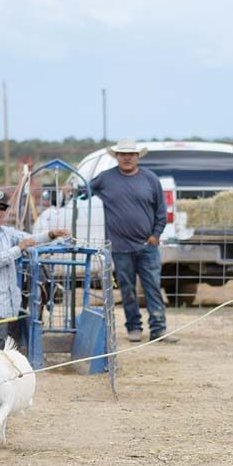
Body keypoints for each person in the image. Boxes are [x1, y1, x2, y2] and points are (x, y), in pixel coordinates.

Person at [89, 137, 175, 343]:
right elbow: (84, 190)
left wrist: (156, 235)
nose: (127, 158)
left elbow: (161, 211)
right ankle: (134, 327)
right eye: (123, 154)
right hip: (120, 247)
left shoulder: (150, 179)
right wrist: (70, 190)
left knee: (152, 287)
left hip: (147, 246)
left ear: (137, 156)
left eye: (130, 154)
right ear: (117, 156)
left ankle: (158, 328)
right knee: (127, 289)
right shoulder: (105, 179)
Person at [0, 189, 68, 350]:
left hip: (0, 304)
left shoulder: (4, 232)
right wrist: (19, 248)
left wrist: (51, 234)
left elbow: (27, 238)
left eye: (2, 207)